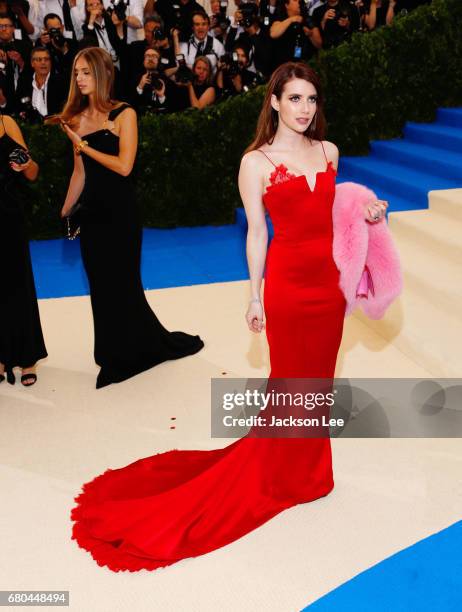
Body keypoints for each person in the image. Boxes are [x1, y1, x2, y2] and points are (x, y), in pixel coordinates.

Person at [70, 61, 388, 573]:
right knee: (289, 381)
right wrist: (254, 296)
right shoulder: (255, 163)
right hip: (286, 287)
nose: (305, 110)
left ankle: (310, 473)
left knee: (319, 383)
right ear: (275, 102)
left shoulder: (329, 152)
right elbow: (257, 233)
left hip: (329, 288)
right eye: (295, 99)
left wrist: (367, 214)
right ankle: (284, 475)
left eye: (312, 100)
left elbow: (331, 213)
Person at [54, 47, 204, 388]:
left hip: (120, 212)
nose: (79, 78)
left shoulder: (125, 114)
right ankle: (111, 353)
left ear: (103, 73)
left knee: (124, 282)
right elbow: (80, 174)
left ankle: (140, 347)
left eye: (86, 72)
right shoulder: (75, 119)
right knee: (100, 285)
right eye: (76, 72)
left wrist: (85, 145)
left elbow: (124, 166)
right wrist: (64, 210)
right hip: (91, 212)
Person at [0, 113, 47, 386]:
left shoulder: (7, 123)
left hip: (8, 215)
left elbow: (33, 172)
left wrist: (25, 165)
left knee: (19, 284)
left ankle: (28, 358)